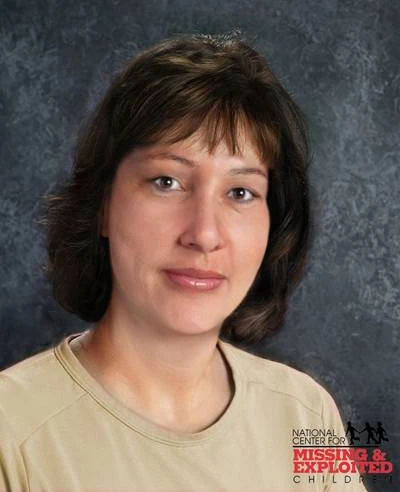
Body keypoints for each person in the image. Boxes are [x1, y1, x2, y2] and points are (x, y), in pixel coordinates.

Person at [0, 32, 368, 491]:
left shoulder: (305, 414)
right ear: (102, 206)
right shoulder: (12, 432)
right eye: (167, 182)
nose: (205, 234)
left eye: (240, 192)